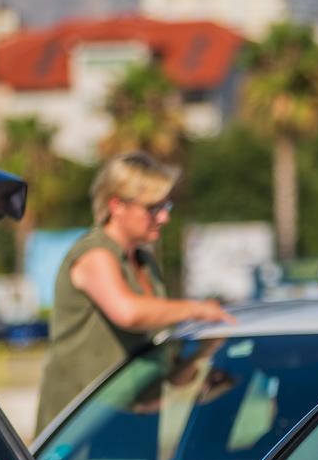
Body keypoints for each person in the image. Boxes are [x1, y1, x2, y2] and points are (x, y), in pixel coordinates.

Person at [35, 152, 232, 431]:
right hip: (77, 434)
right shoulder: (94, 253)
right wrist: (198, 309)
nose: (163, 217)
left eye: (167, 206)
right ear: (117, 205)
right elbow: (127, 312)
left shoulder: (144, 261)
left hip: (127, 423)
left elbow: (159, 354)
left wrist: (203, 354)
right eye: (153, 208)